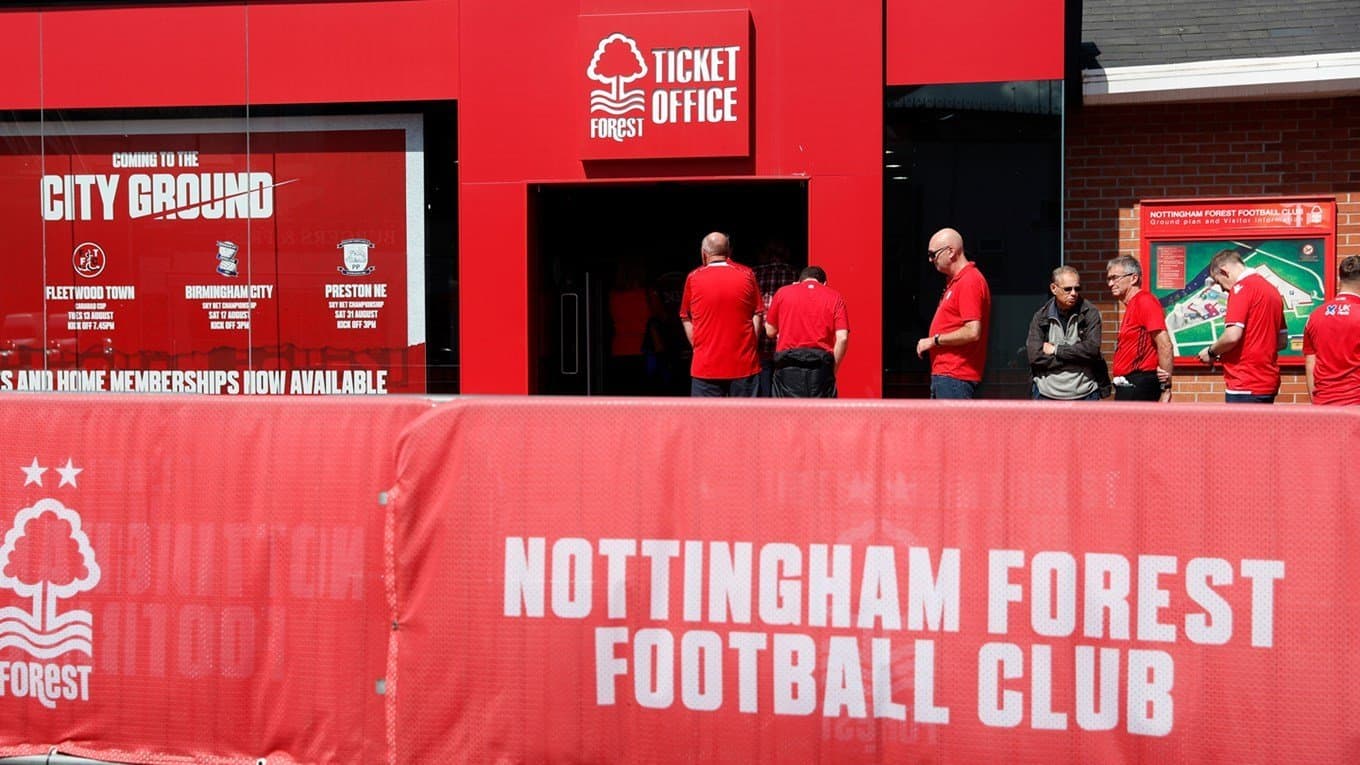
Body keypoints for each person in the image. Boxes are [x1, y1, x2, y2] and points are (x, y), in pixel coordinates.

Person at [1195, 249, 1287, 403]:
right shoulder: (1272, 290)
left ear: (1224, 271)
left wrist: (1211, 352)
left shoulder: (1241, 289)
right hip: (1267, 382)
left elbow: (1232, 336)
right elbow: (1282, 341)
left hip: (1244, 382)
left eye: (1218, 282)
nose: (1223, 289)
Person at [678, 232, 763, 397]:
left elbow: (685, 316)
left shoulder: (694, 278)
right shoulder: (747, 274)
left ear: (704, 254)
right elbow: (758, 313)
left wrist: (698, 346)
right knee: (745, 420)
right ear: (729, 252)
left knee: (706, 421)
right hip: (744, 365)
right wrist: (750, 345)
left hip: (705, 367)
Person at [916, 227, 990, 399]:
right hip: (949, 376)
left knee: (951, 426)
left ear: (950, 251)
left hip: (956, 376)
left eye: (933, 254)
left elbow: (972, 331)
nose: (930, 259)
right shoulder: (957, 282)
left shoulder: (969, 281)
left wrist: (934, 341)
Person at [1025, 266, 1110, 400]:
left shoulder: (1089, 312)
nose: (1073, 293)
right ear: (1054, 288)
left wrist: (1056, 350)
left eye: (1077, 288)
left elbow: (1092, 349)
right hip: (1047, 394)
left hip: (1085, 393)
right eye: (1067, 289)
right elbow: (1035, 357)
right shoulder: (1041, 316)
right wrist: (1077, 358)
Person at [764, 266, 849, 397]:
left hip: (788, 364)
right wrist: (833, 369)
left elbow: (770, 331)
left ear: (799, 280)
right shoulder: (835, 296)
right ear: (824, 283)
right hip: (820, 366)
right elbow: (842, 338)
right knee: (821, 414)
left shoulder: (783, 293)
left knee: (787, 413)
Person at [1106, 255, 1173, 401]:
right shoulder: (1132, 304)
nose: (1110, 283)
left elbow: (1165, 344)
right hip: (1129, 384)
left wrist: (1165, 389)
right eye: (1109, 279)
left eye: (1115, 278)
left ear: (1133, 278)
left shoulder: (1145, 301)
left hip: (1140, 384)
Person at [1302, 254, 1360, 405]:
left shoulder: (1314, 316)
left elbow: (1310, 363)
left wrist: (1316, 404)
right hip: (1355, 406)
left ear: (1339, 279)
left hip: (1324, 407)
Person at [752, 241, 799, 396]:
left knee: (763, 383)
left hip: (760, 339)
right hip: (785, 339)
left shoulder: (753, 274)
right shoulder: (795, 274)